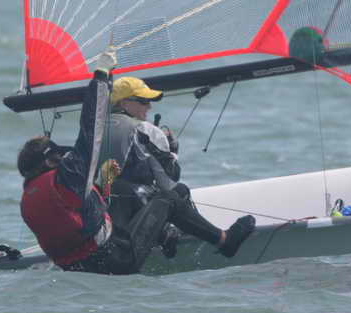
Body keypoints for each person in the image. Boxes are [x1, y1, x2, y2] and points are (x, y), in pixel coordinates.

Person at [16, 53, 252, 274]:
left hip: (76, 267)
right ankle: (224, 240)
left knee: (121, 189)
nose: (65, 158)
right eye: (59, 156)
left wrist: (102, 185)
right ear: (50, 160)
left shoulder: (28, 198)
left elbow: (77, 219)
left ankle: (162, 234)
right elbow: (90, 124)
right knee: (169, 198)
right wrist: (101, 76)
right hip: (115, 259)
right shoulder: (67, 176)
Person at [103, 75, 256, 259]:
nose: (149, 107)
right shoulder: (146, 130)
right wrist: (172, 153)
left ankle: (167, 234)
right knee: (178, 193)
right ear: (124, 103)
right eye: (144, 101)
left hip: (104, 215)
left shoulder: (96, 129)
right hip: (132, 222)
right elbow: (168, 183)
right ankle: (221, 240)